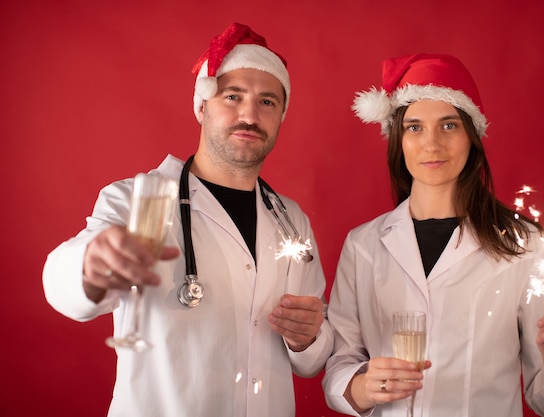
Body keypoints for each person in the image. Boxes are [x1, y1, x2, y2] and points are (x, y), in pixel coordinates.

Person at [42, 22, 332, 417]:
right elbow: (64, 289)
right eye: (232, 96)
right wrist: (90, 265)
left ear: (281, 115)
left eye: (267, 101)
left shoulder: (291, 220)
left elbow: (312, 360)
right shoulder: (135, 198)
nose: (249, 114)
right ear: (201, 106)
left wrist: (308, 337)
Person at [322, 53, 544, 416]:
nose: (432, 144)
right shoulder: (363, 245)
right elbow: (340, 364)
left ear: (471, 136)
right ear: (398, 140)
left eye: (448, 125)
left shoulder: (524, 244)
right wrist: (365, 386)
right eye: (414, 127)